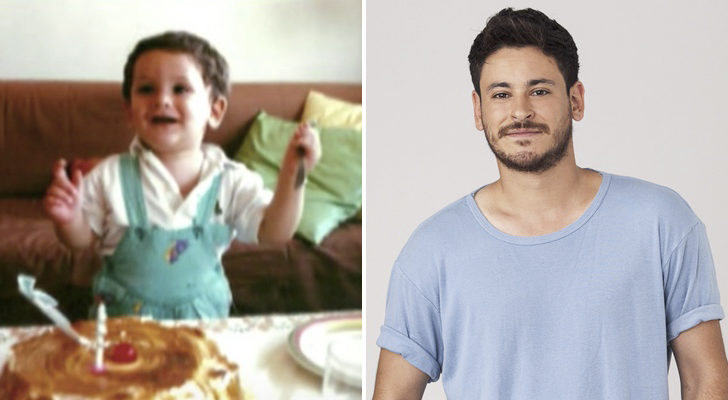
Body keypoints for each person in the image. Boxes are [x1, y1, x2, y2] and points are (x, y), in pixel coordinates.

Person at [373, 8, 728, 399]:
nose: (520, 110)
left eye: (539, 91)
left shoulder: (662, 221)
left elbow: (704, 378)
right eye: (501, 94)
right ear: (478, 109)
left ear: (575, 100)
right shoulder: (432, 250)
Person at [43, 31, 320, 319]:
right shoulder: (109, 175)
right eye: (147, 89)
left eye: (180, 89)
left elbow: (275, 232)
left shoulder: (231, 180)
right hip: (123, 331)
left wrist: (294, 175)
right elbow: (79, 240)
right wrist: (69, 219)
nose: (162, 99)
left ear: (215, 109)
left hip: (203, 326)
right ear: (129, 110)